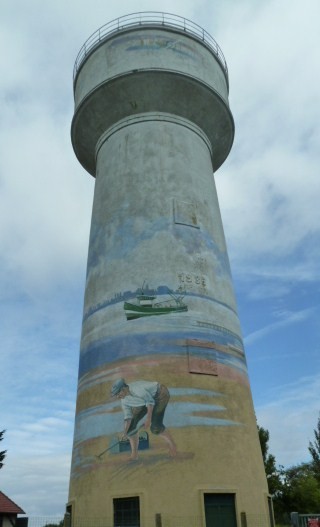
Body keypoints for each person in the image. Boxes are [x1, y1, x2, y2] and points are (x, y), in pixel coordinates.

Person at [111, 378, 177, 460]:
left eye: (118, 393)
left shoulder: (137, 390)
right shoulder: (124, 400)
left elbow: (150, 402)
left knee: (155, 427)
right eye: (116, 395)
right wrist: (125, 433)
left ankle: (173, 446)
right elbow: (128, 417)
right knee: (130, 430)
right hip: (144, 401)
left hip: (160, 394)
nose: (117, 396)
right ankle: (134, 455)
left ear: (123, 389)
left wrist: (148, 420)